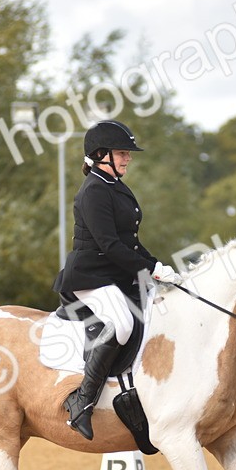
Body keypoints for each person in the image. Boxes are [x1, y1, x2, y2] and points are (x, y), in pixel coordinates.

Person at [52, 120, 182, 440]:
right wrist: (149, 270)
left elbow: (131, 243)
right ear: (101, 155)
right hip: (90, 276)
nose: (128, 159)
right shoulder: (94, 191)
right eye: (122, 153)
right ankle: (82, 400)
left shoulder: (115, 186)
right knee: (122, 323)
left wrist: (157, 265)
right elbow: (110, 246)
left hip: (115, 275)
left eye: (127, 153)